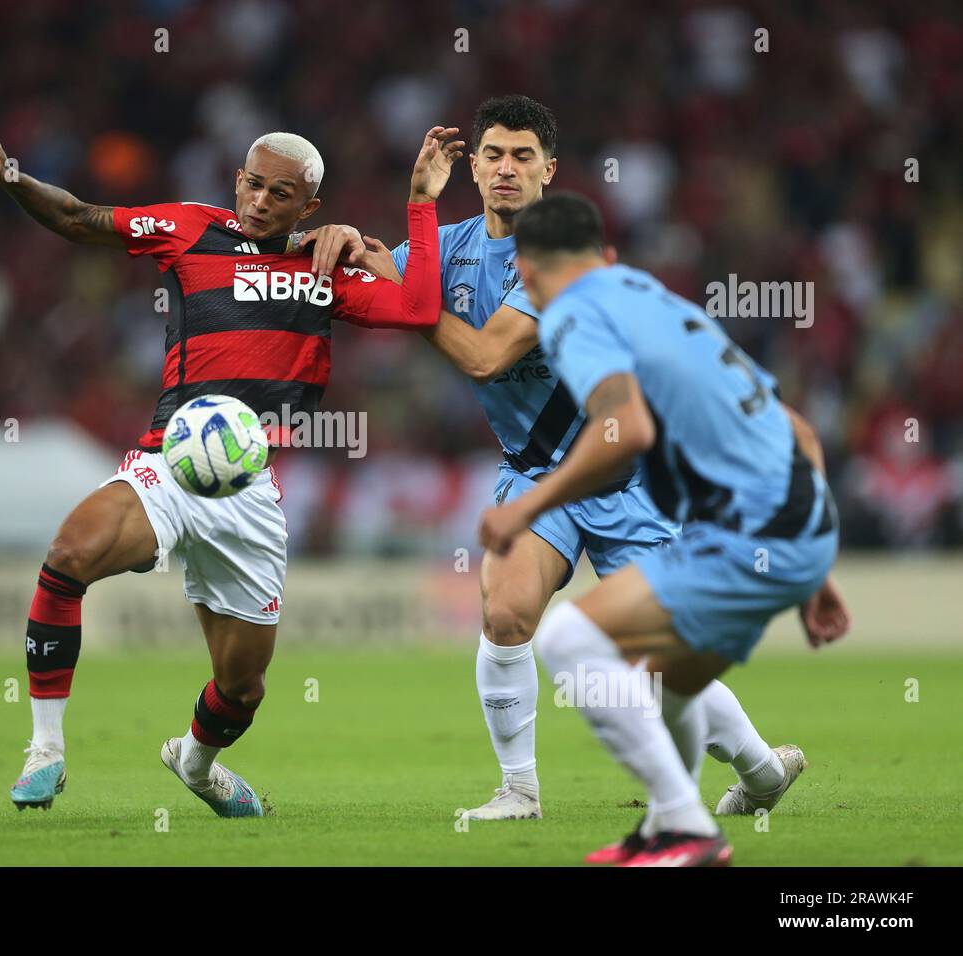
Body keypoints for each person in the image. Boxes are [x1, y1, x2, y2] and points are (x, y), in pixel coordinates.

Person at [304, 96, 799, 825]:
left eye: (523, 156)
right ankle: (519, 791)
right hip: (538, 476)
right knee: (505, 612)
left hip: (621, 472)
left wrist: (408, 296)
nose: (507, 169)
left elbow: (483, 356)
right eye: (494, 155)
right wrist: (339, 238)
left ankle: (761, 771)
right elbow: (367, 278)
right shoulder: (451, 247)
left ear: (550, 170)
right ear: (472, 166)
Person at [0, 126, 460, 816]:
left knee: (243, 687)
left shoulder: (329, 267)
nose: (259, 201)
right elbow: (78, 218)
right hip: (169, 460)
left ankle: (195, 764)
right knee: (69, 554)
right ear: (236, 179)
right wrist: (12, 176)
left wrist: (420, 201)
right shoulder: (191, 230)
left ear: (307, 206)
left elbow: (419, 308)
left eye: (281, 194)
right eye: (252, 183)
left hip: (249, 492)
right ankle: (45, 751)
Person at [478, 192, 850, 865]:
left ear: (527, 277)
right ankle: (669, 826)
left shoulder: (570, 317)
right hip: (797, 521)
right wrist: (815, 565)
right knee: (667, 675)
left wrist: (526, 507)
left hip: (750, 531)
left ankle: (688, 830)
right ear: (609, 257)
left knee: (570, 639)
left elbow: (625, 431)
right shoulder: (658, 305)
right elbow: (797, 428)